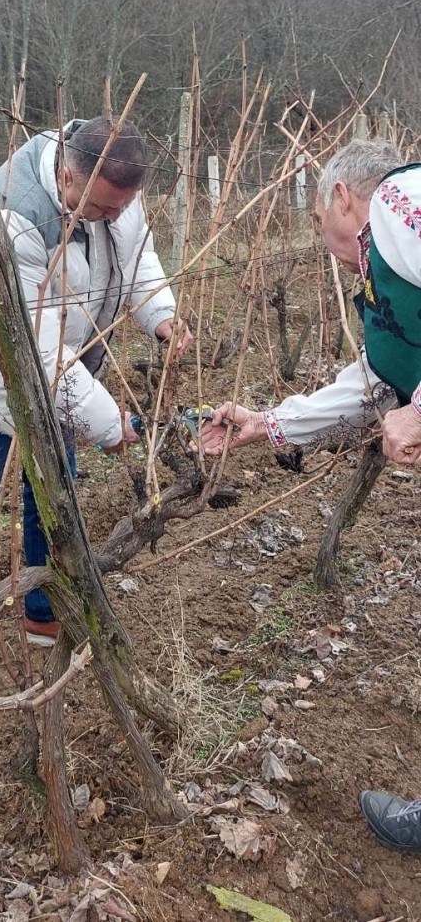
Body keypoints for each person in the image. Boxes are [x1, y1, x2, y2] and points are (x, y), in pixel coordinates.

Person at [0, 116, 191, 734]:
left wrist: (162, 316)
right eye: (96, 207)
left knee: (55, 490)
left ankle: (42, 608)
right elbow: (36, 357)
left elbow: (138, 257)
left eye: (115, 209)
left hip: (64, 374)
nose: (105, 218)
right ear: (68, 174)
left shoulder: (113, 181)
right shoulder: (17, 213)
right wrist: (111, 423)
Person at [200, 137, 421, 854]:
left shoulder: (396, 206)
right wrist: (268, 424)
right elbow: (373, 381)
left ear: (341, 198)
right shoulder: (386, 269)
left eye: (322, 228)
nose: (326, 248)